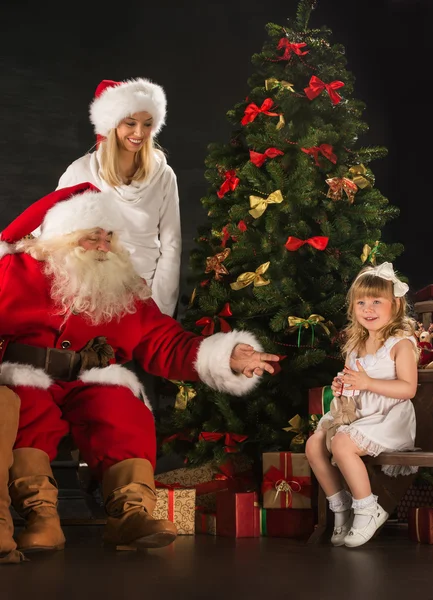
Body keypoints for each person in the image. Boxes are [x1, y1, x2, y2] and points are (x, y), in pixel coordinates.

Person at [0, 183, 279, 557]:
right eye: (91, 238)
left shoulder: (124, 287)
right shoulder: (13, 271)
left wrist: (224, 357)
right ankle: (41, 517)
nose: (102, 247)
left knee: (122, 407)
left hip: (92, 378)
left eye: (108, 237)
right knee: (26, 407)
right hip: (25, 372)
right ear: (62, 238)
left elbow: (163, 341)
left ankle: (131, 514)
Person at [305, 262, 418, 549]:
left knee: (342, 443)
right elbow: (352, 382)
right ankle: (340, 508)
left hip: (389, 417)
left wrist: (367, 383)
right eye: (361, 302)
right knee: (314, 444)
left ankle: (368, 508)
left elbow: (408, 389)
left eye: (376, 302)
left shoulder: (400, 344)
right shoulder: (355, 345)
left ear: (395, 304)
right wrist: (342, 387)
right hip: (360, 414)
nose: (368, 309)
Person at [55, 77, 181, 318]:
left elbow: (171, 245)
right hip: (96, 298)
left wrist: (160, 308)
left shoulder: (164, 176)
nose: (139, 132)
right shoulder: (81, 171)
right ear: (112, 125)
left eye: (147, 124)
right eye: (130, 123)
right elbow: (52, 232)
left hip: (147, 294)